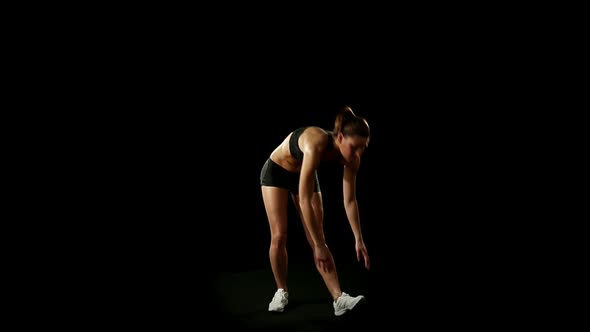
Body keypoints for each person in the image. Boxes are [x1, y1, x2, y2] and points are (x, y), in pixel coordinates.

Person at [259, 106, 371, 317]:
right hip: (277, 172)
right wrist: (318, 245)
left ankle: (339, 298)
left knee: (317, 235)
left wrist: (358, 238)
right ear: (339, 137)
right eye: (355, 147)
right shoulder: (315, 141)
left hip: (303, 174)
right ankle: (281, 290)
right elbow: (303, 199)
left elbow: (349, 200)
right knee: (280, 234)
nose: (358, 154)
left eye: (363, 148)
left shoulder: (353, 158)